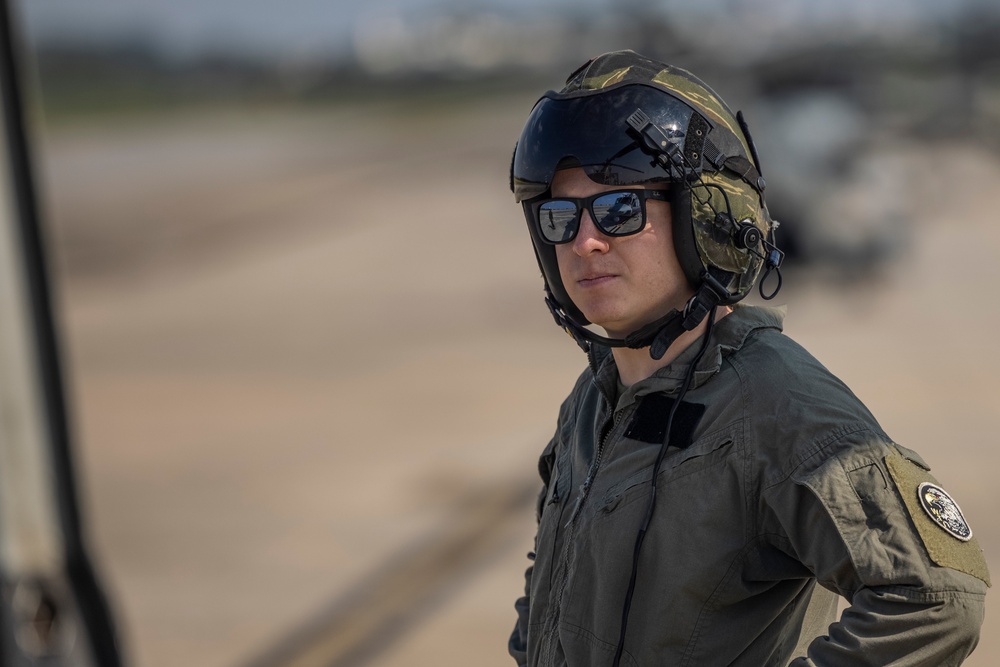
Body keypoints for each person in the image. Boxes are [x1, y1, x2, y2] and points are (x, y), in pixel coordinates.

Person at [507, 50, 989, 667]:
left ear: (707, 218)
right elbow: (552, 576)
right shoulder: (598, 393)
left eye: (619, 209)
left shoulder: (777, 406)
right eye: (558, 216)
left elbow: (937, 599)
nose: (585, 242)